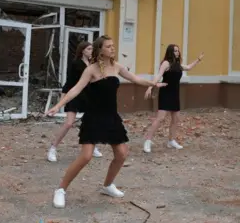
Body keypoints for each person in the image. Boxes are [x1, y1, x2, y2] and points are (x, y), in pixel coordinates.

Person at [45, 35, 166, 209]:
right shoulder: (91, 69)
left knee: (122, 154)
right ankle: (61, 190)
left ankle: (107, 185)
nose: (112, 49)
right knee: (86, 156)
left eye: (113, 46)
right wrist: (58, 105)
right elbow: (76, 89)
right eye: (108, 46)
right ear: (100, 50)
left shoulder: (117, 67)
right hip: (94, 116)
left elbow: (136, 79)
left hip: (111, 117)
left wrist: (154, 83)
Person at [142, 45, 204, 153]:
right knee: (160, 118)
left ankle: (171, 140)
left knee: (176, 119)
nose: (177, 52)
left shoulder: (177, 65)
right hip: (166, 93)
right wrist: (150, 87)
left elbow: (188, 67)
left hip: (175, 94)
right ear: (170, 52)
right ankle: (147, 140)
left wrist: (198, 60)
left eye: (178, 50)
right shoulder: (166, 63)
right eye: (175, 51)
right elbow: (158, 76)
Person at [47, 41, 102, 162]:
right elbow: (69, 82)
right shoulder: (76, 63)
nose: (91, 51)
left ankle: (92, 146)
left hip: (89, 96)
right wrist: (60, 102)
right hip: (75, 95)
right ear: (82, 50)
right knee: (68, 123)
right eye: (88, 49)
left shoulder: (93, 64)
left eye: (92, 49)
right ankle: (53, 148)